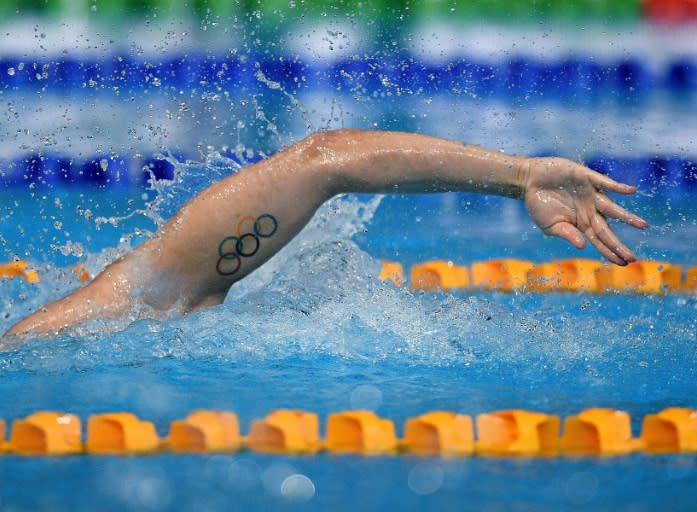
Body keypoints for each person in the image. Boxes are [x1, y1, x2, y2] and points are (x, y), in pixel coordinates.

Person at [6, 129, 648, 337]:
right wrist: (517, 176)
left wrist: (519, 175)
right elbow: (327, 161)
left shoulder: (122, 304)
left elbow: (326, 161)